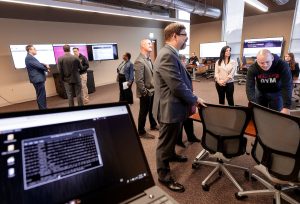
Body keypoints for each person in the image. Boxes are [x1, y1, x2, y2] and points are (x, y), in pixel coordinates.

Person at [153, 23, 206, 192]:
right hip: (169, 108)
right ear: (175, 36)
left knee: (173, 136)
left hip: (174, 106)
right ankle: (164, 176)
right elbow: (177, 86)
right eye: (184, 35)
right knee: (164, 142)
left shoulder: (171, 53)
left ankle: (172, 155)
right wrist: (195, 99)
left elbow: (180, 81)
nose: (186, 38)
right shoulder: (167, 55)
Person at [246, 49, 292, 114]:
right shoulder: (253, 68)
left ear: (272, 58)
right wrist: (252, 102)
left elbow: (287, 85)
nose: (265, 65)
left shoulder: (282, 65)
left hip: (276, 92)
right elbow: (249, 86)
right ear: (257, 61)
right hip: (261, 92)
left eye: (267, 62)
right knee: (260, 113)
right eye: (261, 63)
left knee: (276, 115)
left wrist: (287, 107)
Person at [134, 39, 158, 139]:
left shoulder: (148, 59)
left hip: (152, 90)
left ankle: (153, 125)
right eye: (148, 43)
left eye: (151, 44)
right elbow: (139, 81)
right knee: (143, 111)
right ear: (142, 45)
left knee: (151, 109)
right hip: (146, 92)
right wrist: (144, 92)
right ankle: (141, 131)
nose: (151, 45)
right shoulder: (139, 61)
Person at [177, 54, 200, 148]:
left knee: (189, 118)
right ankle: (178, 140)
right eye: (182, 60)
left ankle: (191, 136)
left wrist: (192, 92)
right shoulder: (177, 71)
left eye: (184, 60)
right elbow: (180, 87)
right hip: (181, 99)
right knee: (181, 121)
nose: (184, 62)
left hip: (188, 97)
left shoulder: (184, 69)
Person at [25, 44, 50, 110]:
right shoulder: (29, 58)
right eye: (34, 49)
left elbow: (37, 64)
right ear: (30, 50)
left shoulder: (30, 58)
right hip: (37, 79)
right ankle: (43, 109)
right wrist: (46, 67)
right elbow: (39, 66)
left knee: (41, 95)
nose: (36, 50)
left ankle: (43, 108)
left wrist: (43, 64)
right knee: (41, 95)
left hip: (37, 79)